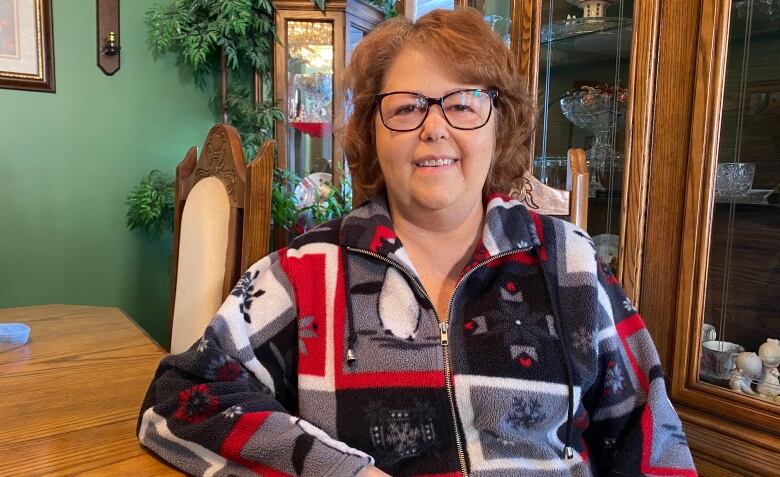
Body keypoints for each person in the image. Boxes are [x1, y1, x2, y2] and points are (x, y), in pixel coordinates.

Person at [137, 8, 696, 477]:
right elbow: (179, 401)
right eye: (406, 107)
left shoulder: (570, 263)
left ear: (499, 125)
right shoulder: (303, 273)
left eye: (463, 103)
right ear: (371, 135)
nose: (434, 128)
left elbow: (651, 433)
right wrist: (338, 470)